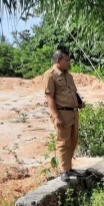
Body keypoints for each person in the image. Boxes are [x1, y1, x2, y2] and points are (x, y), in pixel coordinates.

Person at [43, 49, 84, 182]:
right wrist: (56, 116)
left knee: (73, 140)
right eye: (66, 60)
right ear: (58, 61)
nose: (68, 62)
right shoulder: (50, 75)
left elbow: (74, 92)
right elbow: (49, 97)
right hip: (62, 112)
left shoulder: (69, 76)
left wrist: (79, 102)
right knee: (63, 142)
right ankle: (63, 171)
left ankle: (69, 167)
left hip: (73, 112)